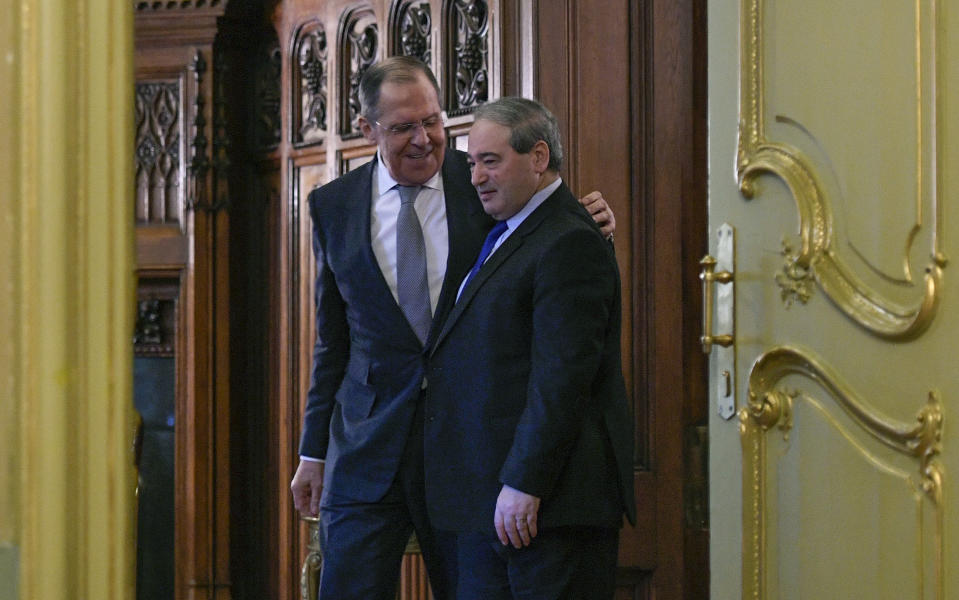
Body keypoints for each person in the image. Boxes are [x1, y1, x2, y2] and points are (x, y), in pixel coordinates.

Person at [289, 56, 616, 600]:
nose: (423, 140)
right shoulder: (333, 206)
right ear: (368, 129)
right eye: (402, 127)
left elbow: (550, 235)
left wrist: (593, 220)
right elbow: (334, 342)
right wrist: (313, 449)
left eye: (433, 121)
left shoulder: (484, 182)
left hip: (466, 444)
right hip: (367, 444)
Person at [422, 97, 636, 599]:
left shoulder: (569, 240)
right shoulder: (508, 231)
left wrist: (524, 483)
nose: (476, 177)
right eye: (472, 162)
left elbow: (562, 380)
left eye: (490, 161)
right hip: (491, 508)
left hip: (543, 511)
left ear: (539, 158)